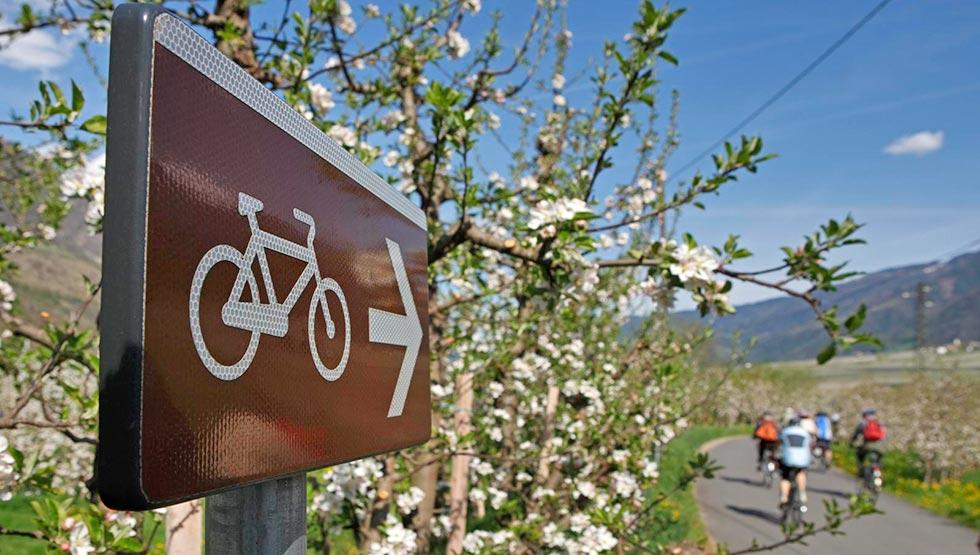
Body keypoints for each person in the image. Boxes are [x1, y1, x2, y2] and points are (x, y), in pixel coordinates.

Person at [778, 416, 812, 508]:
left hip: (788, 458)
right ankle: (802, 493)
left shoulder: (785, 431)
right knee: (800, 473)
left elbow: (779, 443)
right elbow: (810, 445)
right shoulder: (805, 433)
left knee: (785, 477)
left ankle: (784, 497)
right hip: (802, 459)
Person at [851, 408, 886, 479]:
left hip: (867, 446)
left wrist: (851, 443)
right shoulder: (879, 424)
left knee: (860, 455)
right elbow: (884, 436)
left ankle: (861, 471)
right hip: (880, 448)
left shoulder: (863, 424)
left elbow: (855, 435)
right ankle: (879, 477)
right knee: (878, 462)